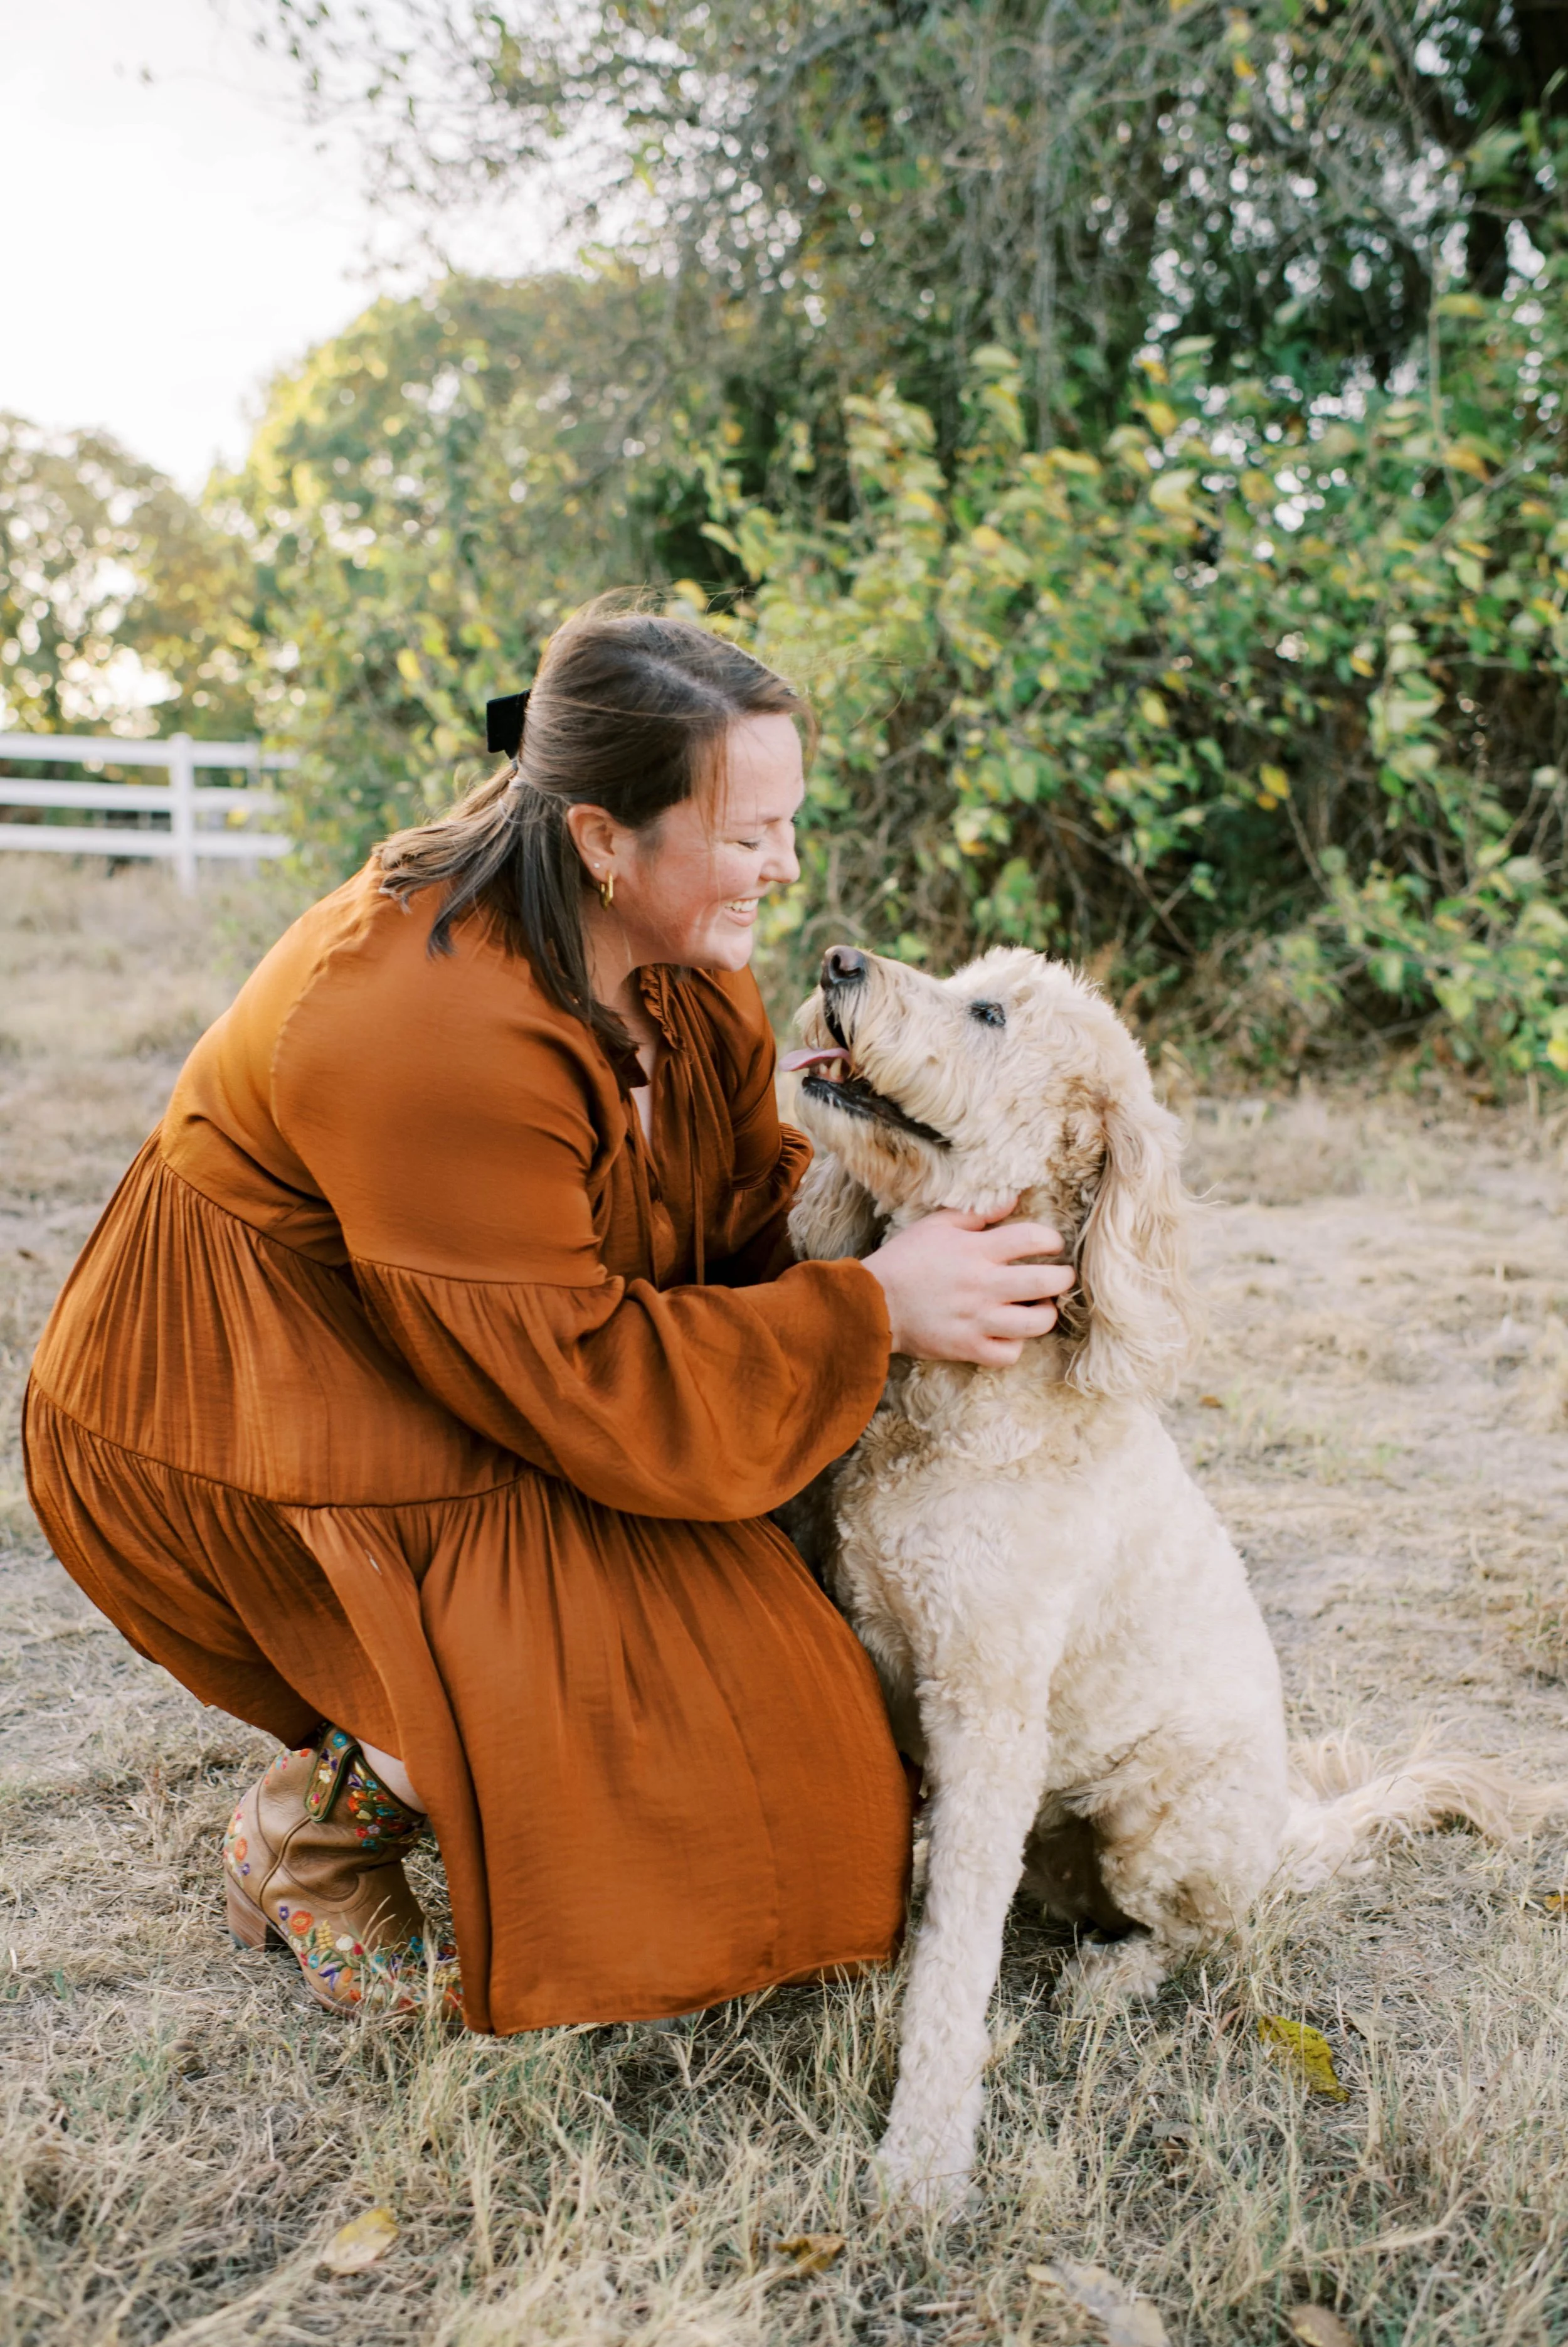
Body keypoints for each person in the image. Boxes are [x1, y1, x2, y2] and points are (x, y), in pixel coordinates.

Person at [22, 600, 1073, 2030]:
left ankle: (464, 1735)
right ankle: (311, 1831)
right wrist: (871, 1315)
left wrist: (894, 1233)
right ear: (600, 839)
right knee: (651, 1708)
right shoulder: (419, 1024)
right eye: (750, 831)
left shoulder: (664, 945)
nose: (786, 864)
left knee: (796, 1729)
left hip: (466, 1352)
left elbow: (718, 1209)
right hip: (247, 1404)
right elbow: (579, 1380)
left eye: (787, 819)